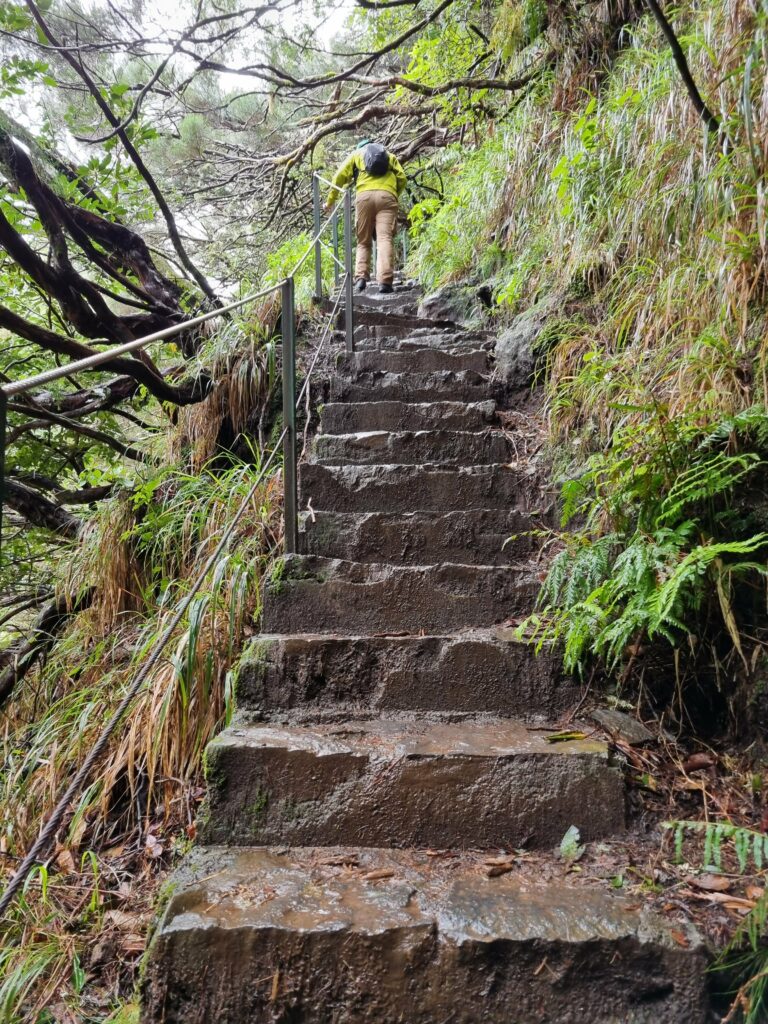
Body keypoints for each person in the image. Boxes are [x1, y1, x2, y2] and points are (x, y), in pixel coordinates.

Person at [326, 140, 406, 294]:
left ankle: (361, 279)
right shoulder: (389, 156)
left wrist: (330, 201)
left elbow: (338, 177)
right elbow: (402, 178)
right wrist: (393, 194)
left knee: (363, 241)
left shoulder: (356, 155)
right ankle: (385, 282)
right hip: (387, 197)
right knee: (384, 239)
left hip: (364, 198)